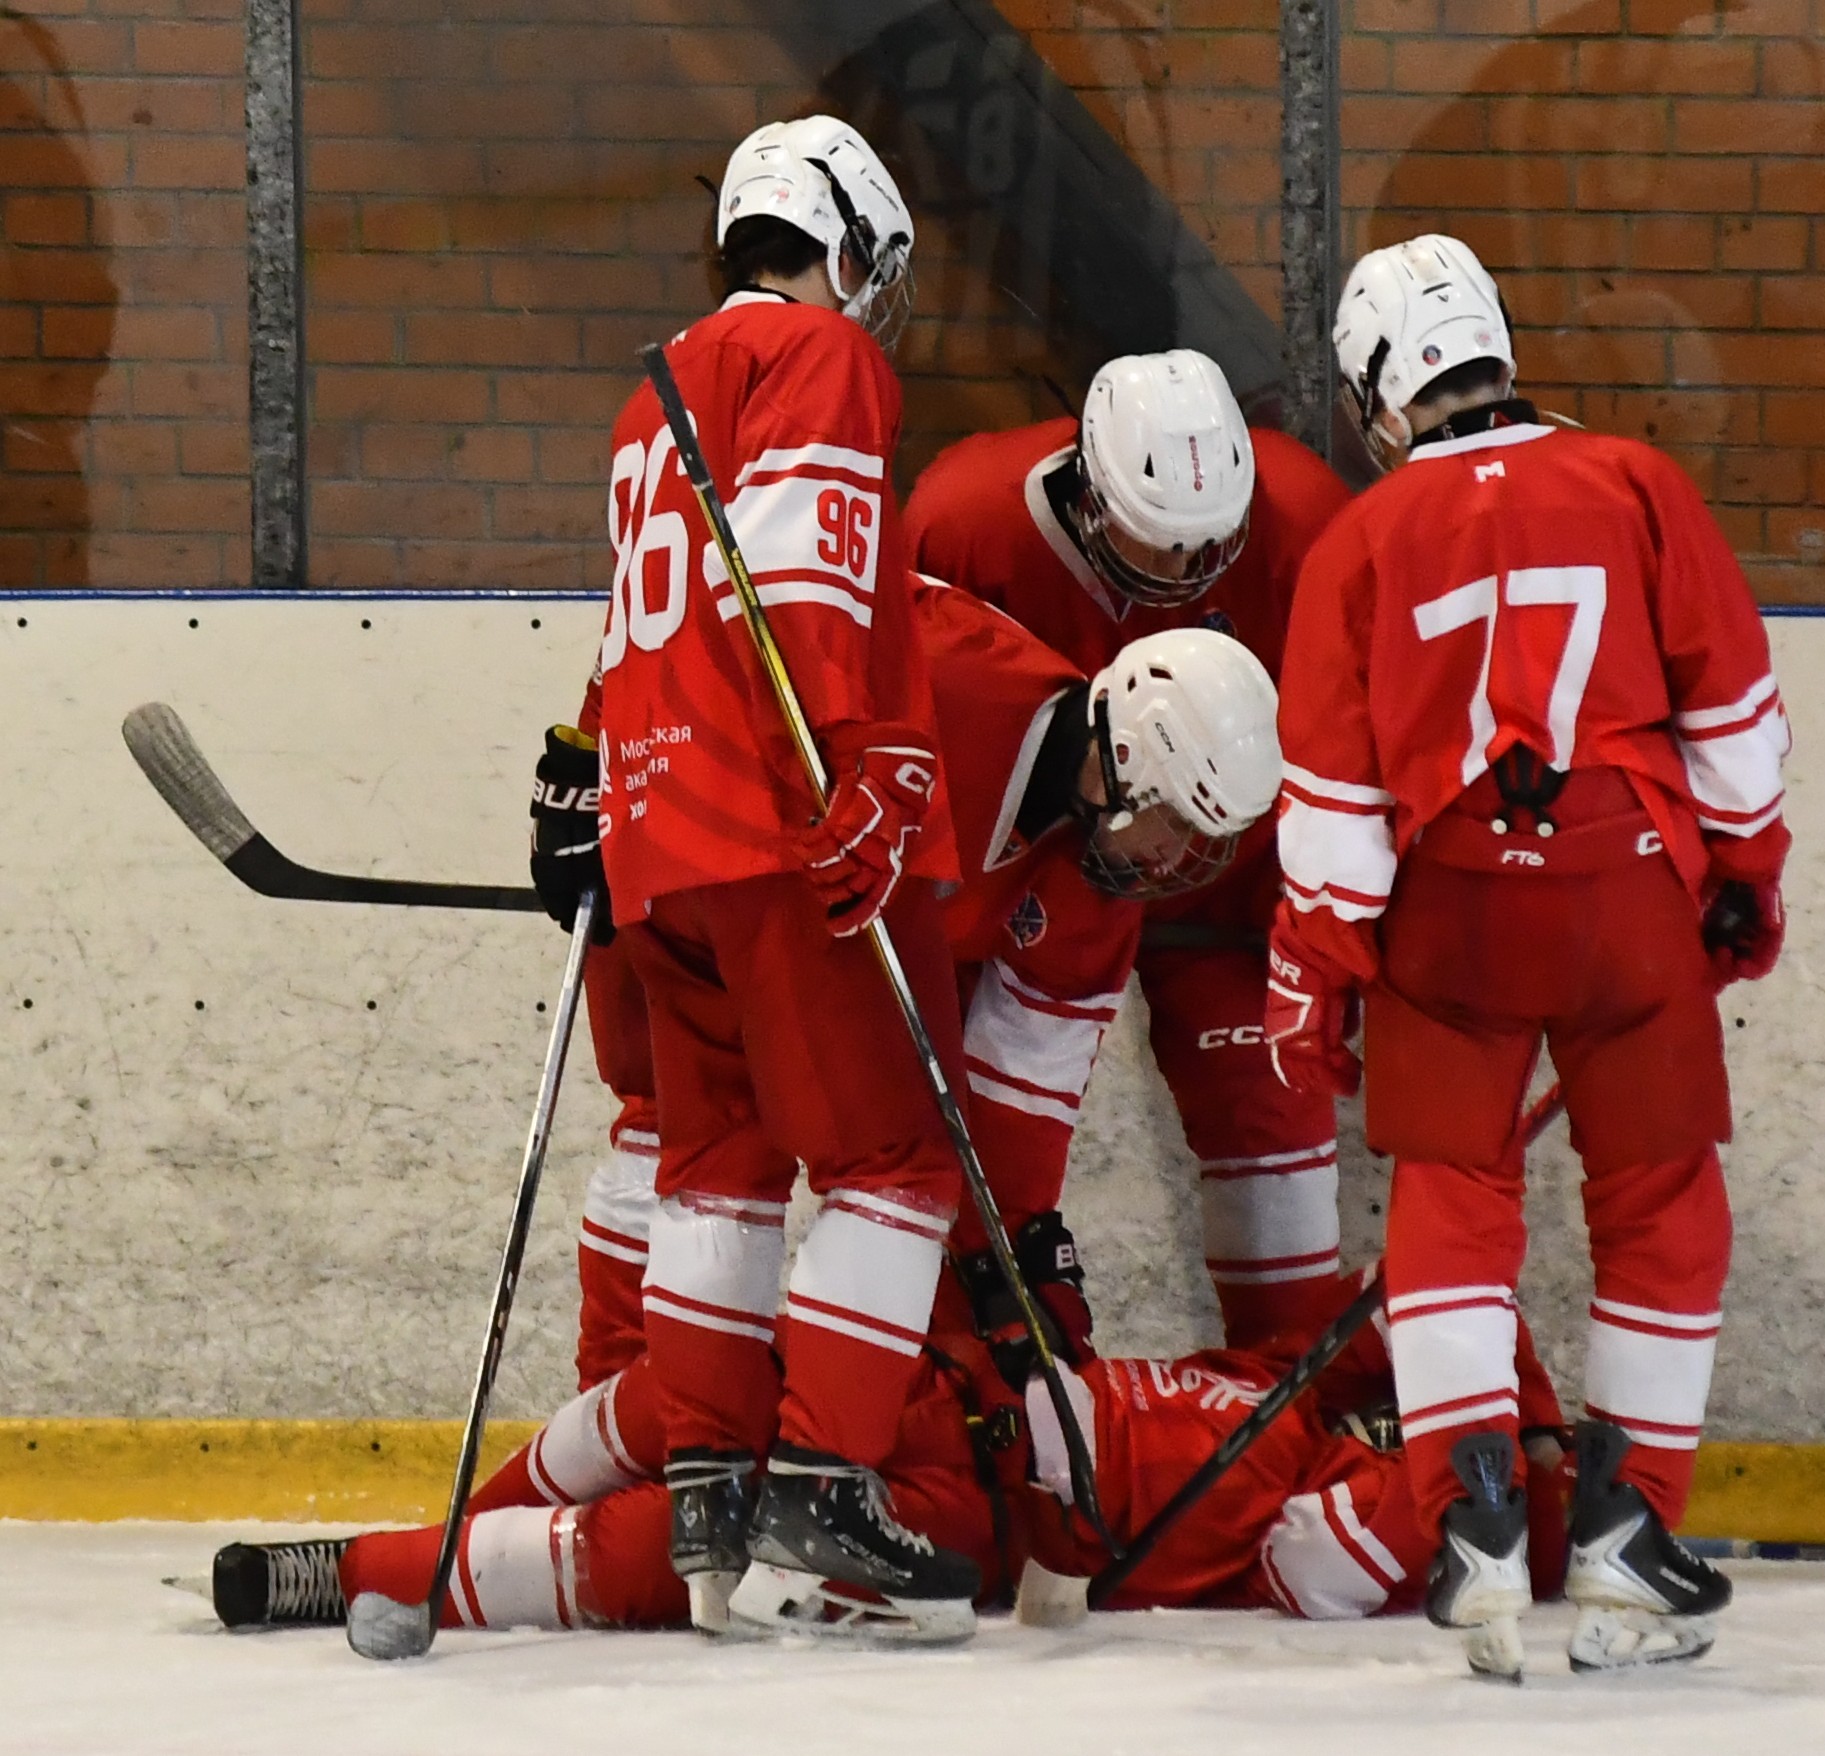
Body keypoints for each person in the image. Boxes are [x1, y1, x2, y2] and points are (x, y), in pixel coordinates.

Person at [1262, 234, 1792, 1678]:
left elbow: (1331, 806)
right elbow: (1733, 714)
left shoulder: (1358, 543)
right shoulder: (1632, 481)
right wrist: (1744, 875)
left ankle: (1475, 1532)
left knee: (1448, 1201)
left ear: (1378, 394)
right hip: (1625, 892)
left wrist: (1312, 971)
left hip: (1451, 908)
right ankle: (1627, 1544)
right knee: (1662, 1203)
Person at [522, 580, 1287, 1579]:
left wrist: (1012, 1270)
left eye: (1202, 847)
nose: (1177, 863)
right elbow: (721, 612)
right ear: (1126, 763)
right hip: (709, 845)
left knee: (886, 1166)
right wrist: (595, 753)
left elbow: (1017, 1105)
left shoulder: (1099, 885)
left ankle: (708, 1458)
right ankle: (628, 1422)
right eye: (1175, 827)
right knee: (684, 1126)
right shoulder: (939, 668)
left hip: (823, 921)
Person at [580, 112, 975, 1639]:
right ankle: (821, 1486)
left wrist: (597, 775)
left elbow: (638, 630)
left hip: (659, 838)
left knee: (715, 1161)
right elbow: (802, 582)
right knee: (893, 1160)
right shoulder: (821, 359)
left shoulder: (650, 391)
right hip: (775, 823)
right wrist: (858, 764)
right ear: (854, 245)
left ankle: (705, 1488)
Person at [205, 1269, 1574, 1640]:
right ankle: (444, 1518)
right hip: (939, 1390)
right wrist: (1490, 1363)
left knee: (653, 1558)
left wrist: (1500, 1460)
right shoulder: (1289, 1402)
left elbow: (1407, 1517)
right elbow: (1425, 1308)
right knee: (686, 1389)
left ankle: (355, 1570)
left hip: (951, 1522)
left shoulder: (1319, 1545)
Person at [905, 352, 1357, 1347]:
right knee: (940, 1135)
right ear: (1094, 499)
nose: (1195, 581)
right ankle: (958, 1377)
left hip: (1235, 871)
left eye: (1214, 552)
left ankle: (1285, 1386)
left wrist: (1356, 911)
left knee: (1270, 1109)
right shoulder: (965, 518)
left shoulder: (1307, 515)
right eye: (1166, 556)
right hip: (1042, 868)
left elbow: (1361, 731)